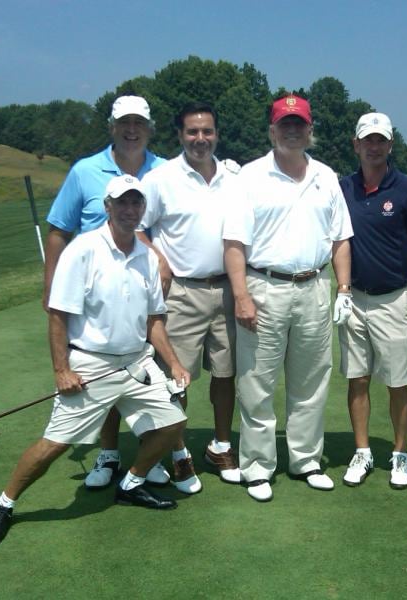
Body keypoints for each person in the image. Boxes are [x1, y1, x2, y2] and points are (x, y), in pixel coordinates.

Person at [0, 175, 190, 545]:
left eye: (136, 203)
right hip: (91, 363)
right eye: (121, 203)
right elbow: (58, 315)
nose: (129, 210)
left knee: (173, 423)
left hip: (137, 362)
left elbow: (155, 319)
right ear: (107, 207)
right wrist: (62, 370)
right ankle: (3, 503)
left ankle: (131, 483)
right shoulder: (83, 250)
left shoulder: (146, 256)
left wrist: (173, 363)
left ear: (143, 208)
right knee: (55, 444)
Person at [223, 94, 354, 502]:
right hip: (264, 287)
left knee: (311, 380)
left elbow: (341, 239)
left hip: (314, 286)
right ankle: (258, 467)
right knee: (257, 381)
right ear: (272, 130)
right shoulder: (250, 176)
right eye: (285, 124)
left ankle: (305, 459)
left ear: (310, 130)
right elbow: (233, 243)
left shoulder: (326, 176)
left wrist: (343, 289)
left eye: (299, 124)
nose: (292, 130)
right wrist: (241, 296)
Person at [43, 95, 170, 488]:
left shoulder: (165, 171)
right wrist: (51, 288)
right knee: (105, 366)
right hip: (95, 290)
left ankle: (152, 454)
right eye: (124, 122)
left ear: (149, 127)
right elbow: (60, 231)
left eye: (139, 123)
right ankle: (109, 453)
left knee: (149, 374)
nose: (132, 130)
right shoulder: (85, 171)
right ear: (112, 126)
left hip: (152, 290)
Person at [138, 102, 241, 490]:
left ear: (217, 134)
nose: (201, 139)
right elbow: (138, 228)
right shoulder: (161, 178)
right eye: (193, 132)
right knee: (176, 379)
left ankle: (221, 445)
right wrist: (159, 259)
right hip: (182, 292)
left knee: (226, 374)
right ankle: (178, 451)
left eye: (208, 132)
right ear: (180, 136)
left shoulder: (234, 177)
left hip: (228, 289)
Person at [337, 112, 407, 490]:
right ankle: (362, 451)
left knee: (397, 382)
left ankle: (400, 454)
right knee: (357, 379)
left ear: (390, 145)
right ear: (356, 145)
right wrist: (341, 290)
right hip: (352, 299)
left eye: (381, 140)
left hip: (393, 299)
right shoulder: (342, 187)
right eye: (368, 140)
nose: (374, 146)